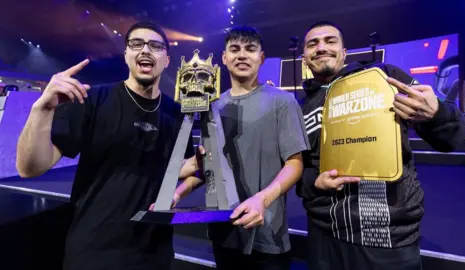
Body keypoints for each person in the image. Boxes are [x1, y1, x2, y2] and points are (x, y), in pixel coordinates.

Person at [16, 21, 201, 270]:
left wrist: (179, 191)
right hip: (94, 250)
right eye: (137, 44)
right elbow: (29, 168)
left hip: (154, 253)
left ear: (166, 60)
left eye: (155, 46)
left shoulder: (178, 115)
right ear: (126, 55)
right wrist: (42, 109)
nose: (145, 50)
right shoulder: (92, 100)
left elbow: (186, 169)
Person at [297, 21, 465, 270]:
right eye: (313, 44)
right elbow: (297, 168)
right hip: (324, 235)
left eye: (330, 41)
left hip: (386, 236)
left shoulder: (384, 77)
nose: (321, 47)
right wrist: (313, 181)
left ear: (344, 53)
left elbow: (453, 138)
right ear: (304, 58)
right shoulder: (299, 108)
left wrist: (437, 113)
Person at [171, 25, 310, 270]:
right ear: (224, 58)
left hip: (267, 235)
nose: (242, 55)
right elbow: (208, 168)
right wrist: (177, 194)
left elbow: (295, 163)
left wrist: (262, 199)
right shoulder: (212, 105)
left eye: (250, 49)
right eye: (234, 49)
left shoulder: (282, 101)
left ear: (261, 57)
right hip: (223, 232)